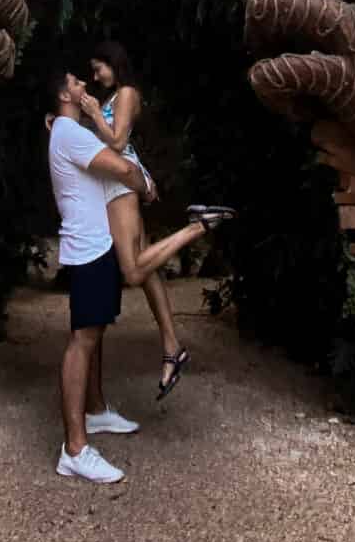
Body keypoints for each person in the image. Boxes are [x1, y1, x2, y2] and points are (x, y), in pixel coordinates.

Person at [46, 70, 229, 483]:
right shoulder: (69, 131)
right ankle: (74, 449)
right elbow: (121, 168)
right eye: (75, 82)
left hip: (95, 245)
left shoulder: (68, 131)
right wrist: (144, 183)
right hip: (89, 247)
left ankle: (94, 412)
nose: (83, 86)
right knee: (82, 341)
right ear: (63, 94)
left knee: (93, 333)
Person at [81, 41, 190, 399]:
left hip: (119, 184)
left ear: (115, 63)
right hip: (117, 180)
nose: (96, 76)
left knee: (131, 270)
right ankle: (172, 349)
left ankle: (197, 227)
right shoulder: (112, 98)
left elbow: (118, 141)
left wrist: (95, 113)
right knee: (147, 271)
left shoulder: (127, 93)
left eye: (100, 68)